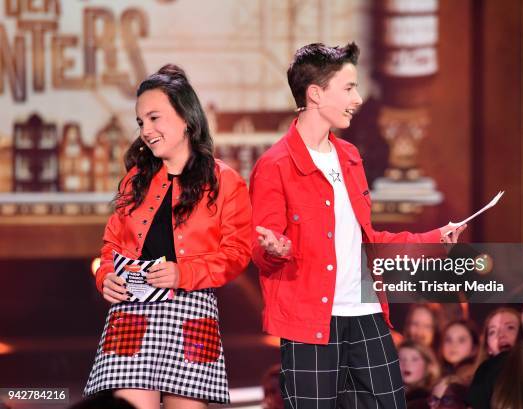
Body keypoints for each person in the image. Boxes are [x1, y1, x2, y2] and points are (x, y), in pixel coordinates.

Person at [250, 42, 466, 409]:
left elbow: (367, 241)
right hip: (310, 324)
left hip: (365, 314)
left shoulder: (349, 156)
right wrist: (274, 250)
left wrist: (433, 239)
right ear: (315, 94)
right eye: (348, 88)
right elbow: (263, 248)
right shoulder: (275, 165)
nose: (359, 98)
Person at [84, 65, 252, 409]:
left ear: (186, 117)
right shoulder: (136, 180)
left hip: (191, 312)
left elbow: (237, 252)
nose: (146, 130)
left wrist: (183, 273)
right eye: (141, 122)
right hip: (132, 311)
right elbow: (111, 244)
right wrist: (105, 278)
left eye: (154, 118)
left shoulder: (225, 181)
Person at [398, 340, 441, 404]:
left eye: (414, 359)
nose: (406, 364)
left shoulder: (432, 398)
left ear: (428, 365)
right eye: (401, 359)